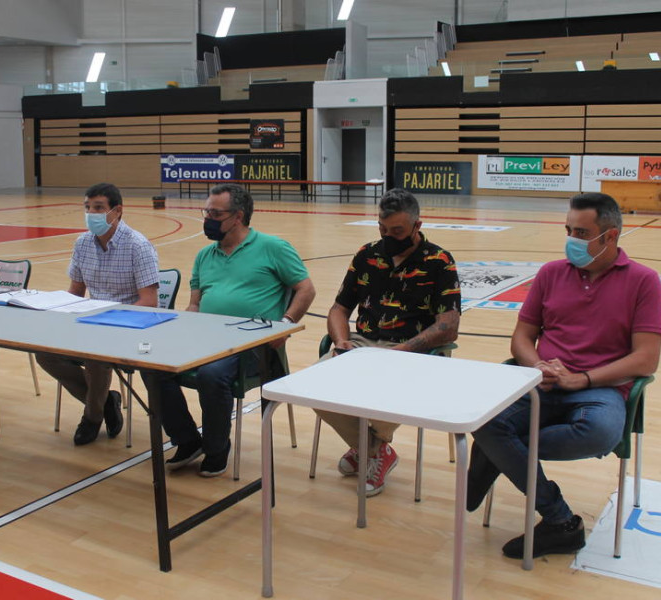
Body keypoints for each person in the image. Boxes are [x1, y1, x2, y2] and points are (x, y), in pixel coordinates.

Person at [467, 192, 661, 559]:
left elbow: (646, 359)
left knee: (599, 432)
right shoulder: (551, 273)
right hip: (542, 382)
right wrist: (536, 365)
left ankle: (496, 453)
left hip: (599, 388)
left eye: (582, 233)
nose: (572, 239)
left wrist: (582, 378)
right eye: (568, 230)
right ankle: (560, 521)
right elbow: (521, 338)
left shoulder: (644, 281)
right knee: (482, 416)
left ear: (611, 236)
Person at [142, 183, 315, 477]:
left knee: (212, 374)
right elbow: (195, 304)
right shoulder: (204, 255)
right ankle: (187, 440)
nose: (208, 218)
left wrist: (285, 325)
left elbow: (306, 289)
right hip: (206, 340)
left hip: (252, 345)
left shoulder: (273, 248)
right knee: (153, 367)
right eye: (207, 212)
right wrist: (180, 326)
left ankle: (216, 448)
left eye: (215, 213)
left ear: (238, 216)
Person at [315, 188, 461, 497]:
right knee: (314, 386)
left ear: (417, 226)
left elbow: (448, 326)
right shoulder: (367, 254)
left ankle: (366, 449)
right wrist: (340, 341)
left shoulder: (439, 261)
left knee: (385, 390)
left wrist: (402, 351)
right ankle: (375, 450)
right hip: (361, 343)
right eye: (383, 229)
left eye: (397, 231)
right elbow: (339, 309)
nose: (388, 236)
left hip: (411, 350)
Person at [36, 183, 159, 446]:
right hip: (90, 322)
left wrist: (110, 320)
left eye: (99, 208)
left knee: (96, 356)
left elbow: (149, 301)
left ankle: (92, 418)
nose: (91, 213)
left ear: (117, 211)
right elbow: (75, 292)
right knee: (44, 353)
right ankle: (106, 403)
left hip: (126, 326)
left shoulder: (138, 246)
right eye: (88, 207)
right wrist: (55, 311)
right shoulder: (82, 243)